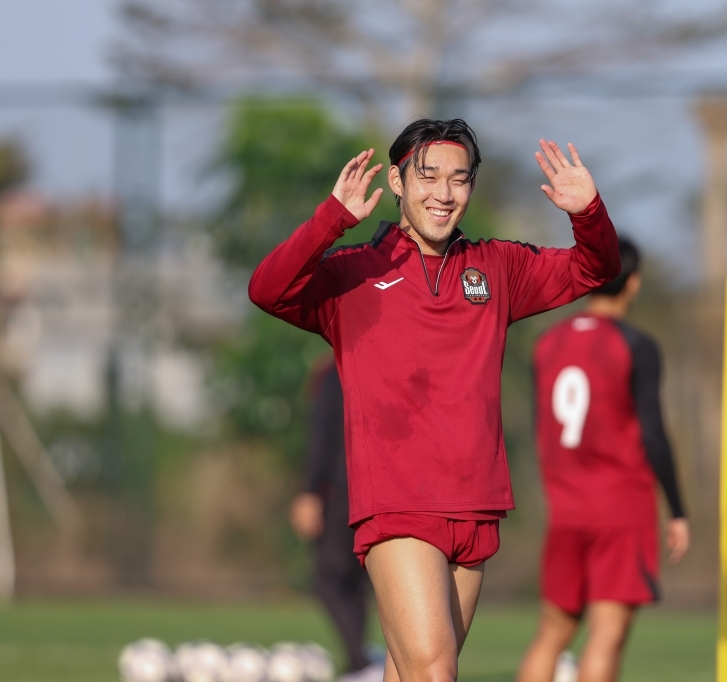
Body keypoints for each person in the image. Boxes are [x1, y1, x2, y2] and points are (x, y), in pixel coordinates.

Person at [249, 118, 620, 682]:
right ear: (398, 182)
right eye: (428, 177)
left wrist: (587, 213)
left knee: (410, 672)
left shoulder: (498, 267)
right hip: (397, 507)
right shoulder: (350, 277)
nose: (444, 194)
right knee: (434, 671)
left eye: (459, 179)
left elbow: (595, 268)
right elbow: (267, 289)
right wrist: (331, 220)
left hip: (475, 505)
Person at [518, 238, 689, 682]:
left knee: (551, 635)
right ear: (633, 283)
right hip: (620, 506)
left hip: (566, 507)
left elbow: (544, 430)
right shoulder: (635, 345)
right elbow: (651, 431)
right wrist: (677, 508)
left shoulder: (547, 344)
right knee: (605, 636)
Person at [290, 359, 383, 682]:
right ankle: (363, 660)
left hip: (344, 490)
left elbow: (325, 432)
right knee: (356, 579)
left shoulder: (336, 372)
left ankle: (362, 664)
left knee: (329, 579)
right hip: (383, 487)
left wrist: (311, 491)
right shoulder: (383, 367)